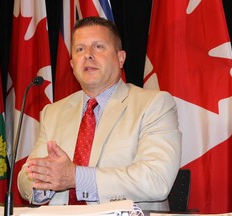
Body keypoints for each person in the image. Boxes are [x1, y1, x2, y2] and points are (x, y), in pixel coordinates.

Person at [18, 16, 181, 211]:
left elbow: (156, 180)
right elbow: (25, 179)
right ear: (72, 65)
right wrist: (46, 180)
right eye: (80, 49)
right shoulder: (53, 112)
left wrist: (76, 177)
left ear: (121, 58)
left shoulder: (153, 105)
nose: (88, 55)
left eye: (98, 47)